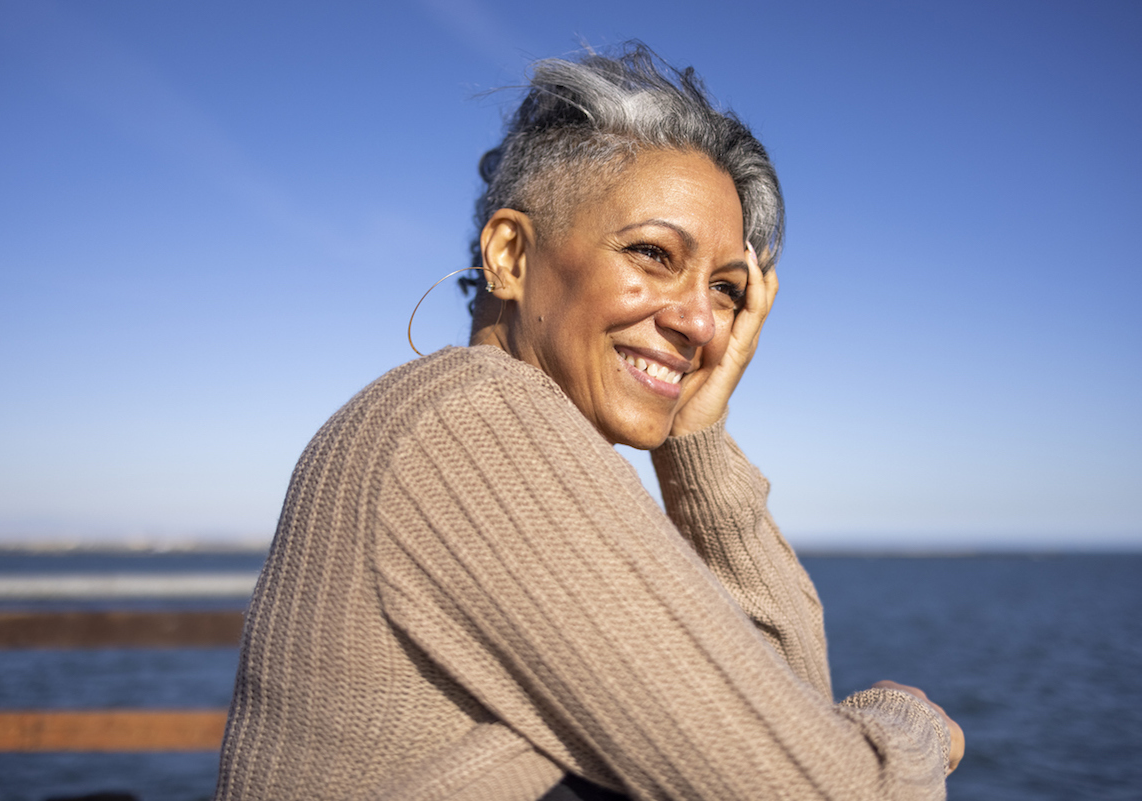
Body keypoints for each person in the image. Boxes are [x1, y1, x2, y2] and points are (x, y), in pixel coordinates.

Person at [213, 43, 963, 801]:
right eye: (652, 253)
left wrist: (698, 438)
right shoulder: (474, 423)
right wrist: (911, 720)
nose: (702, 321)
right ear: (509, 254)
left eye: (728, 289)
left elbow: (785, 714)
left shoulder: (443, 415)